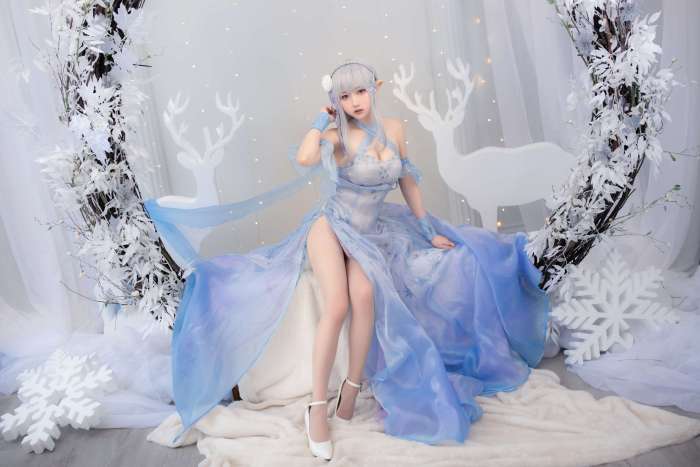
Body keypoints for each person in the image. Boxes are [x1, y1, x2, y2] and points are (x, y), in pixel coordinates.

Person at [144, 60, 551, 461]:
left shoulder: (395, 129)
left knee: (366, 296)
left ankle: (351, 390)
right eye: (344, 96)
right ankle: (316, 407)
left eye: (360, 91)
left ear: (375, 88)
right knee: (337, 303)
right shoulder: (338, 136)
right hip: (332, 227)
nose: (355, 101)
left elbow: (407, 181)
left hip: (371, 234)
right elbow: (306, 157)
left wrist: (428, 230)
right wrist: (320, 122)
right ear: (335, 100)